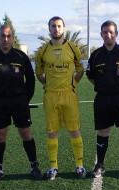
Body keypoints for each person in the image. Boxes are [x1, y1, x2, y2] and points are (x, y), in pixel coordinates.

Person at [0, 25, 43, 182]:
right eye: (2, 36)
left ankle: (34, 166)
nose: (5, 39)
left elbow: (30, 80)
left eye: (8, 36)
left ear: (12, 38)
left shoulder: (21, 56)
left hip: (19, 102)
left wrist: (25, 99)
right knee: (0, 135)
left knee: (25, 133)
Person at [86, 20, 119, 178]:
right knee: (103, 131)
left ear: (116, 33)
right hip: (103, 99)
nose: (108, 35)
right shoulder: (96, 55)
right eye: (105, 32)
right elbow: (90, 76)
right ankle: (100, 165)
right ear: (101, 34)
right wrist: (104, 86)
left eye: (111, 32)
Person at [35, 16, 86, 180]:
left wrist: (73, 85)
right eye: (53, 26)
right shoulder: (42, 51)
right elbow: (39, 73)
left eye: (58, 26)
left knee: (74, 130)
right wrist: (48, 84)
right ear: (48, 28)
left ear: (63, 28)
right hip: (50, 96)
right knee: (52, 132)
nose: (56, 29)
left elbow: (80, 70)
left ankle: (79, 165)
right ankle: (53, 167)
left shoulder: (73, 47)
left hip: (69, 95)